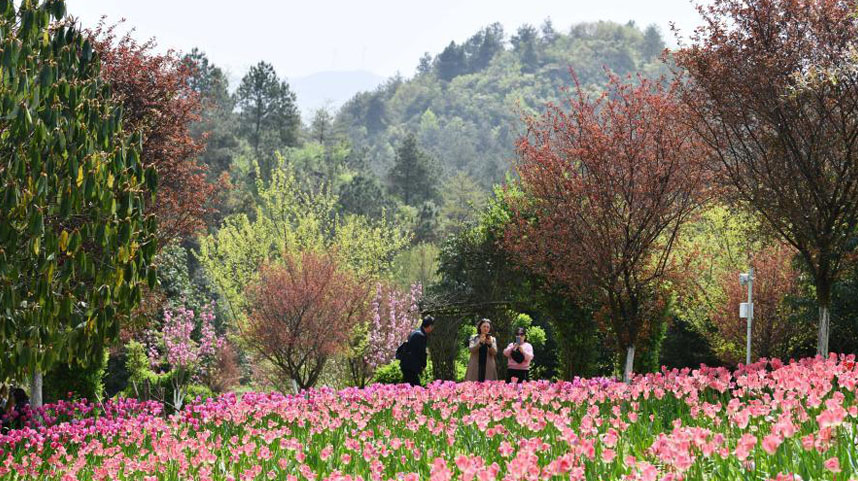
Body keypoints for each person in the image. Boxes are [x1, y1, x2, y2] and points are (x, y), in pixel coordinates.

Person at [399, 316, 435, 386]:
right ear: (430, 326)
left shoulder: (415, 332)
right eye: (432, 327)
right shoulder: (421, 335)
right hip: (411, 366)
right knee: (416, 388)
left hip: (406, 364)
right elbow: (421, 352)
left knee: (408, 387)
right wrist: (423, 365)